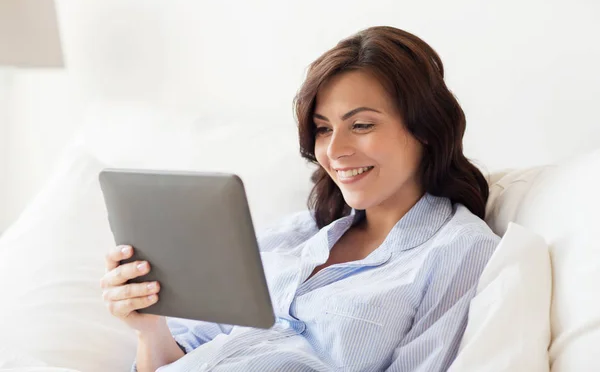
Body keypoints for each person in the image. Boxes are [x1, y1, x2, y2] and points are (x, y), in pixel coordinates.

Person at [100, 26, 500, 372]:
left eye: (361, 125)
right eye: (323, 129)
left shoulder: (458, 249)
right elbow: (176, 356)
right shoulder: (292, 236)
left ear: (425, 128)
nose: (336, 150)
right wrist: (150, 330)